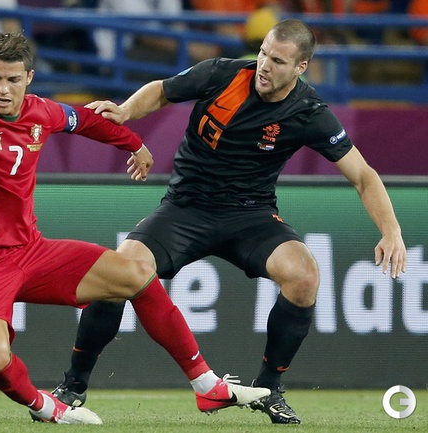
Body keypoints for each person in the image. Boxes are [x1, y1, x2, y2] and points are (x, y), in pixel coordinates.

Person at [50, 19, 407, 425]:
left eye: (278, 61)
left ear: (301, 67)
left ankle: (269, 389)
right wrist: (127, 111)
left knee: (304, 276)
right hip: (185, 208)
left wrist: (391, 231)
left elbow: (363, 176)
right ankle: (73, 386)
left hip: (251, 216)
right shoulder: (221, 74)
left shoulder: (309, 112)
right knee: (116, 273)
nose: (264, 66)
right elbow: (162, 90)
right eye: (263, 54)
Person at [0, 32, 269, 425]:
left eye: (12, 80)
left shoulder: (42, 112)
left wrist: (134, 144)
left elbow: (87, 121)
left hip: (31, 251)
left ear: (29, 78)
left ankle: (206, 385)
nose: (2, 89)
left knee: (137, 275)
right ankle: (47, 408)